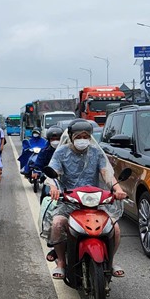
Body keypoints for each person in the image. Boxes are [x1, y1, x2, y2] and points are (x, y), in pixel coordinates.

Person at [46, 119, 127, 279]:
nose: (83, 139)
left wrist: (118, 189)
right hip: (69, 201)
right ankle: (61, 262)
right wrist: (53, 187)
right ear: (71, 137)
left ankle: (110, 261)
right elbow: (53, 174)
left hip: (95, 202)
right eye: (79, 136)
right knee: (57, 224)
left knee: (115, 229)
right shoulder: (61, 152)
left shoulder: (96, 152)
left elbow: (107, 174)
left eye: (86, 136)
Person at [31, 126, 63, 200]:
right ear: (49, 140)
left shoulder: (67, 151)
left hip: (66, 180)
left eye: (58, 139)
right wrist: (36, 171)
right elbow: (39, 163)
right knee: (45, 195)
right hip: (50, 178)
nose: (55, 141)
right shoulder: (44, 151)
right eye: (53, 139)